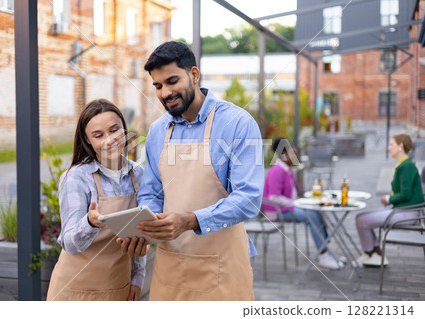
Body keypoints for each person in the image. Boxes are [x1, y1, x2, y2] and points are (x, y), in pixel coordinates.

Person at [136, 41, 264, 300]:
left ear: (193, 75)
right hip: (171, 267)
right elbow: (151, 192)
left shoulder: (237, 124)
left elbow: (249, 199)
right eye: (158, 86)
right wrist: (143, 226)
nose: (165, 92)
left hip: (223, 269)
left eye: (172, 81)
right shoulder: (158, 131)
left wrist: (189, 221)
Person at [46, 99, 148, 301]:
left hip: (119, 287)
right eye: (98, 135)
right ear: (87, 140)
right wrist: (90, 223)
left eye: (114, 130)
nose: (109, 140)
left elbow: (139, 231)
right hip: (76, 291)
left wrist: (137, 278)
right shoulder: (76, 177)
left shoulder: (139, 174)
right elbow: (69, 244)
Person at [262, 138, 344, 270]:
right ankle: (323, 256)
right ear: (284, 155)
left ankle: (325, 250)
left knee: (316, 212)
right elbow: (273, 197)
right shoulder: (277, 171)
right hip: (277, 211)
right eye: (293, 153)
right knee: (310, 215)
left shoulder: (287, 169)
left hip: (288, 207)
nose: (297, 156)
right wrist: (295, 203)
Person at [355, 133, 424, 267]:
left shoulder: (407, 166)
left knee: (361, 220)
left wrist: (388, 198)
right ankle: (374, 254)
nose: (388, 148)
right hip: (400, 210)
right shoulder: (404, 165)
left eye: (391, 144)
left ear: (400, 146)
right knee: (361, 217)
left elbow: (406, 194)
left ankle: (371, 254)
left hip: (406, 213)